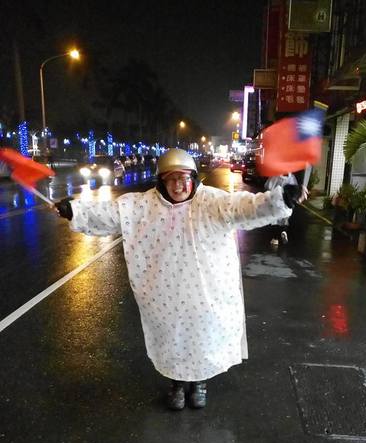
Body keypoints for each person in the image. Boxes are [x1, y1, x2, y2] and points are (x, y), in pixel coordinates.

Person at [54, 148, 301, 410]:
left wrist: (279, 200)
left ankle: (199, 384)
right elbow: (109, 213)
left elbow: (246, 207)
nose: (178, 185)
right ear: (161, 181)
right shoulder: (143, 205)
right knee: (172, 340)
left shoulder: (212, 202)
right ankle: (177, 386)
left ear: (192, 178)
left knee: (203, 338)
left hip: (205, 293)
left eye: (183, 178)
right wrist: (74, 210)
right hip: (165, 296)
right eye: (171, 179)